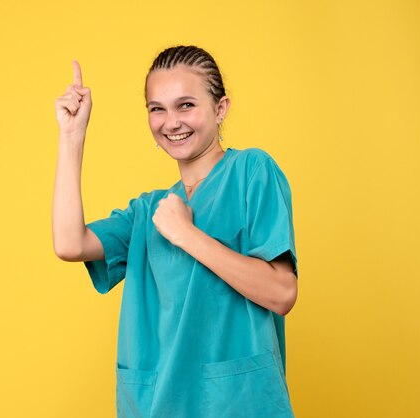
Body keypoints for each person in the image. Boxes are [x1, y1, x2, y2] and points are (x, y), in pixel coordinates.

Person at [52, 45, 299, 418]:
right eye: (157, 109)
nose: (171, 122)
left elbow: (282, 292)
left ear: (220, 109)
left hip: (237, 404)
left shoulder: (252, 172)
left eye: (186, 105)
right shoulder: (148, 210)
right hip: (157, 406)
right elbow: (70, 243)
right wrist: (72, 137)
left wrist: (187, 234)